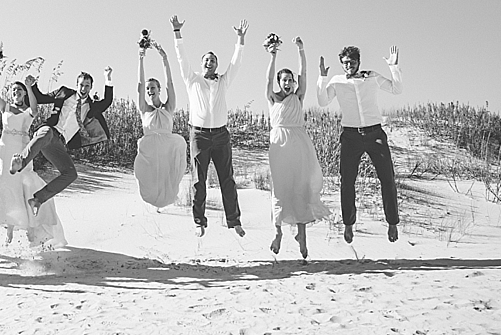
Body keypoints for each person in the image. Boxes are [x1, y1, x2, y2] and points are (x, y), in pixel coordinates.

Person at [170, 15, 248, 237]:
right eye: (206, 59)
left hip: (221, 136)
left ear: (217, 65)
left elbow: (237, 63)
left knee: (227, 180)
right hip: (199, 136)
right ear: (201, 62)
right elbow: (181, 58)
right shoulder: (192, 79)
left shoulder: (223, 80)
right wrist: (177, 33)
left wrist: (240, 40)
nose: (209, 62)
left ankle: (234, 220)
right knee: (198, 181)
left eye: (213, 60)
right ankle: (199, 221)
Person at [317, 44, 402, 243]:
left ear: (358, 62)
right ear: (341, 63)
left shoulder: (371, 76)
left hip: (375, 134)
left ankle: (392, 223)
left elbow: (396, 89)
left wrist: (393, 66)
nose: (349, 66)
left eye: (352, 62)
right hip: (350, 136)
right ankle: (348, 224)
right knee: (347, 181)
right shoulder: (337, 81)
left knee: (387, 178)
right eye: (345, 62)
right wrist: (321, 78)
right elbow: (322, 102)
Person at [0, 65, 66, 247]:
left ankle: (32, 227)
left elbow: (34, 106)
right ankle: (9, 227)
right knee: (6, 180)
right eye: (14, 90)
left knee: (24, 183)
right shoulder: (5, 107)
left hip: (23, 148)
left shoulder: (29, 110)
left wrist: (29, 86)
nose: (16, 92)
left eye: (19, 90)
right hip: (5, 148)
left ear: (24, 93)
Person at [11, 66, 114, 214]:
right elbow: (41, 98)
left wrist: (107, 78)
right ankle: (20, 161)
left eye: (87, 86)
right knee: (46, 132)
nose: (83, 88)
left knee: (71, 174)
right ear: (76, 84)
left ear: (91, 87)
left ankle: (38, 199)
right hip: (49, 130)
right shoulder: (64, 92)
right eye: (81, 85)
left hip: (60, 143)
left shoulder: (92, 107)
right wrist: (32, 86)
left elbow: (108, 101)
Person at [264, 36, 330, 258]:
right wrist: (273, 56)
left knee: (300, 187)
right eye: (285, 80)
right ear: (279, 82)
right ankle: (278, 232)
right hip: (279, 145)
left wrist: (301, 50)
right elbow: (268, 77)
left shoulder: (298, 97)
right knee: (280, 188)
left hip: (299, 142)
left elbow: (304, 74)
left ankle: (302, 235)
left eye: (291, 80)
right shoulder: (273, 98)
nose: (289, 83)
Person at [133, 41, 188, 209]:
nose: (150, 90)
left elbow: (170, 83)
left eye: (153, 87)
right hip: (150, 151)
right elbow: (140, 86)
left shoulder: (168, 107)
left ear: (159, 89)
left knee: (168, 180)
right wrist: (141, 58)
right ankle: (154, 202)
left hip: (167, 151)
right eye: (148, 89)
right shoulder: (144, 109)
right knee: (149, 181)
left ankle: (168, 200)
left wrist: (164, 58)